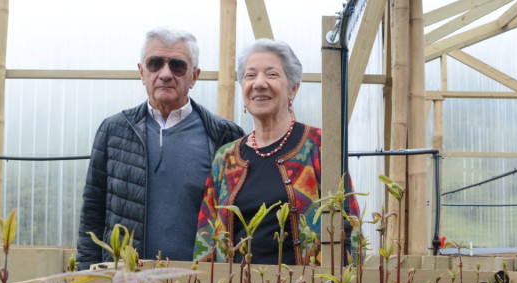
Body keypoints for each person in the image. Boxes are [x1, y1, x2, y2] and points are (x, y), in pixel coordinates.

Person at [76, 27, 244, 269]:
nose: (165, 74)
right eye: (155, 63)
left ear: (194, 76)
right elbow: (92, 215)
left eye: (177, 66)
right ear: (142, 72)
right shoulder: (113, 131)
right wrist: (87, 278)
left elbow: (238, 220)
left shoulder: (225, 135)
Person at [193, 38, 359, 265]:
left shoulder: (319, 145)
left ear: (293, 88)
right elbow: (206, 235)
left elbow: (349, 227)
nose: (259, 83)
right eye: (250, 76)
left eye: (271, 74)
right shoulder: (226, 157)